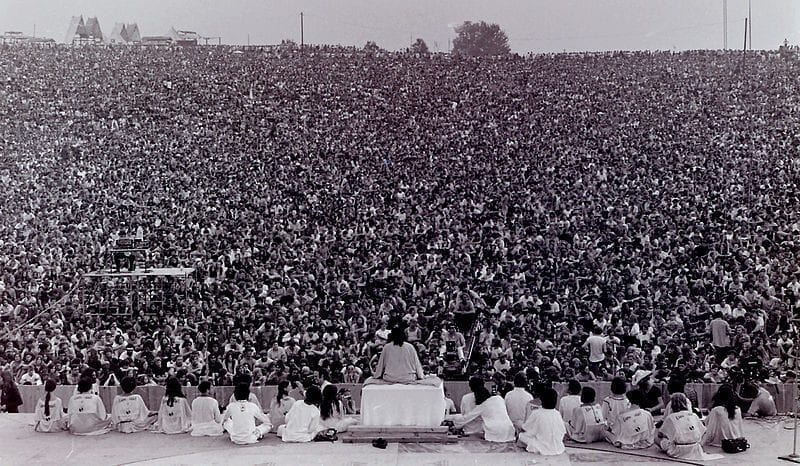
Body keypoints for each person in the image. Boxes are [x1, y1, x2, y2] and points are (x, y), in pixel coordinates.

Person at [446, 377, 515, 442]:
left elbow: (466, 417)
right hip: (510, 429)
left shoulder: (482, 405)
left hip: (494, 432)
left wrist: (453, 423)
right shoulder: (499, 398)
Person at [657, 393, 722, 461]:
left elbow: (660, 434)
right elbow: (705, 432)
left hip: (678, 450)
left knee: (657, 439)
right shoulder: (693, 415)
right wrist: (700, 444)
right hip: (695, 448)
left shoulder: (670, 417)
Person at [367, 327, 439, 385]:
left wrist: (377, 376)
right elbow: (417, 364)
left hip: (390, 378)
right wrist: (421, 376)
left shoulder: (387, 347)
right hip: (408, 378)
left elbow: (380, 366)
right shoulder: (410, 347)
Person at [517, 388, 566, 455]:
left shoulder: (537, 413)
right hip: (558, 447)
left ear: (542, 400)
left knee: (522, 436)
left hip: (542, 448)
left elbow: (525, 428)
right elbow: (563, 431)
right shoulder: (557, 413)